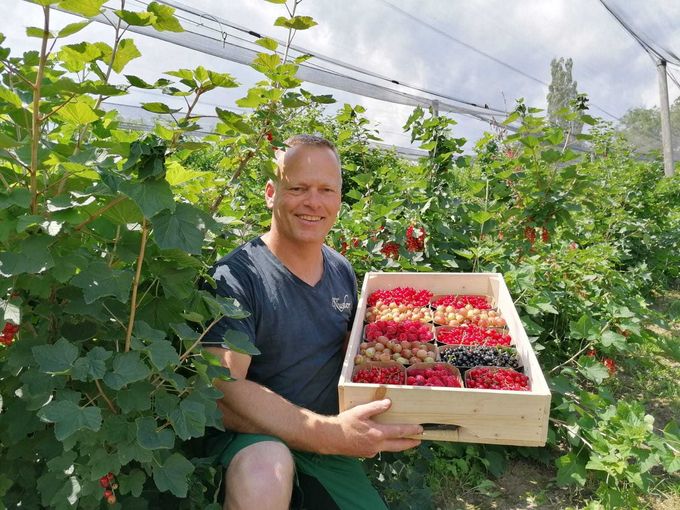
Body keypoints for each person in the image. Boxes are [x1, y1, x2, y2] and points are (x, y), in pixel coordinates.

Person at [202, 134, 423, 510]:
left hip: (327, 443)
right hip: (254, 435)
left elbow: (348, 354)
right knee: (264, 472)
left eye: (326, 190)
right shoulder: (235, 276)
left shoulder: (340, 269)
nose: (313, 202)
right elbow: (223, 390)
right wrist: (331, 435)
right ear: (271, 193)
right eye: (298, 188)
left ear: (339, 199)